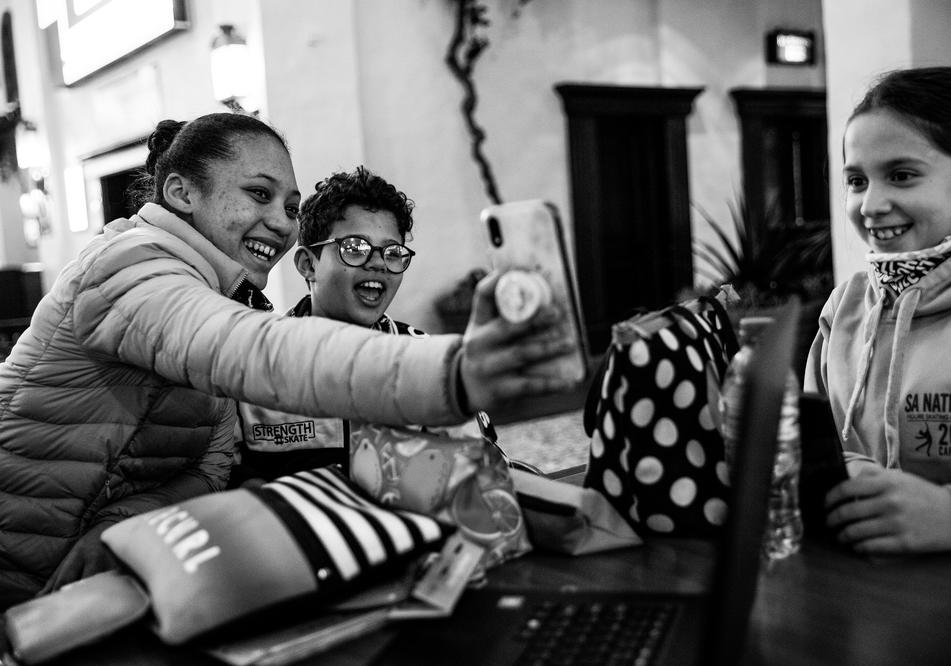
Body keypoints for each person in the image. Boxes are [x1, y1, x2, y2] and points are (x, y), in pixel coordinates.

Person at [0, 113, 574, 610]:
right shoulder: (129, 266)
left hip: (94, 561)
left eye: (290, 205)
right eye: (258, 193)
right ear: (180, 192)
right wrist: (451, 371)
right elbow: (251, 351)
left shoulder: (227, 299)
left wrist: (122, 525)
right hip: (19, 549)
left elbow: (209, 465)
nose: (279, 218)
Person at [804, 66, 951, 555]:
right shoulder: (845, 304)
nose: (870, 204)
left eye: (901, 175)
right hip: (858, 582)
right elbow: (815, 446)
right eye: (856, 180)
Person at [232, 165, 451, 483]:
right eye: (354, 248)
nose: (377, 263)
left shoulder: (427, 362)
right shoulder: (258, 367)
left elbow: (478, 472)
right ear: (308, 264)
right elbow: (231, 485)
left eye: (392, 252)